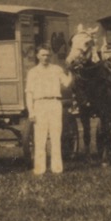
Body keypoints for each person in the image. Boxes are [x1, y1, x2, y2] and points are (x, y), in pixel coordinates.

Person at [24, 45, 72, 175]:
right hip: (39, 104)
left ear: (50, 56)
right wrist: (31, 111)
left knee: (56, 137)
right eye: (43, 55)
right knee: (40, 138)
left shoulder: (57, 69)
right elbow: (29, 93)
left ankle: (57, 168)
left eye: (47, 55)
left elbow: (67, 83)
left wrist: (72, 71)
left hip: (55, 103)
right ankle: (39, 169)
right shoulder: (33, 72)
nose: (45, 57)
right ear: (38, 56)